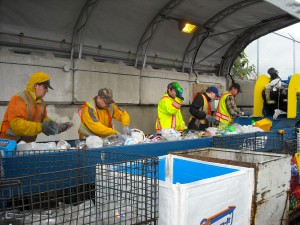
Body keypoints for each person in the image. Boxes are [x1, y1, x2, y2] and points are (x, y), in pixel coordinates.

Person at [0, 72, 72, 143]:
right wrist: (41, 127)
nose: (47, 90)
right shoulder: (19, 99)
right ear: (36, 86)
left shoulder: (41, 103)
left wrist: (54, 126)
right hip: (8, 143)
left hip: (25, 145)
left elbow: (43, 119)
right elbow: (16, 125)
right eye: (45, 87)